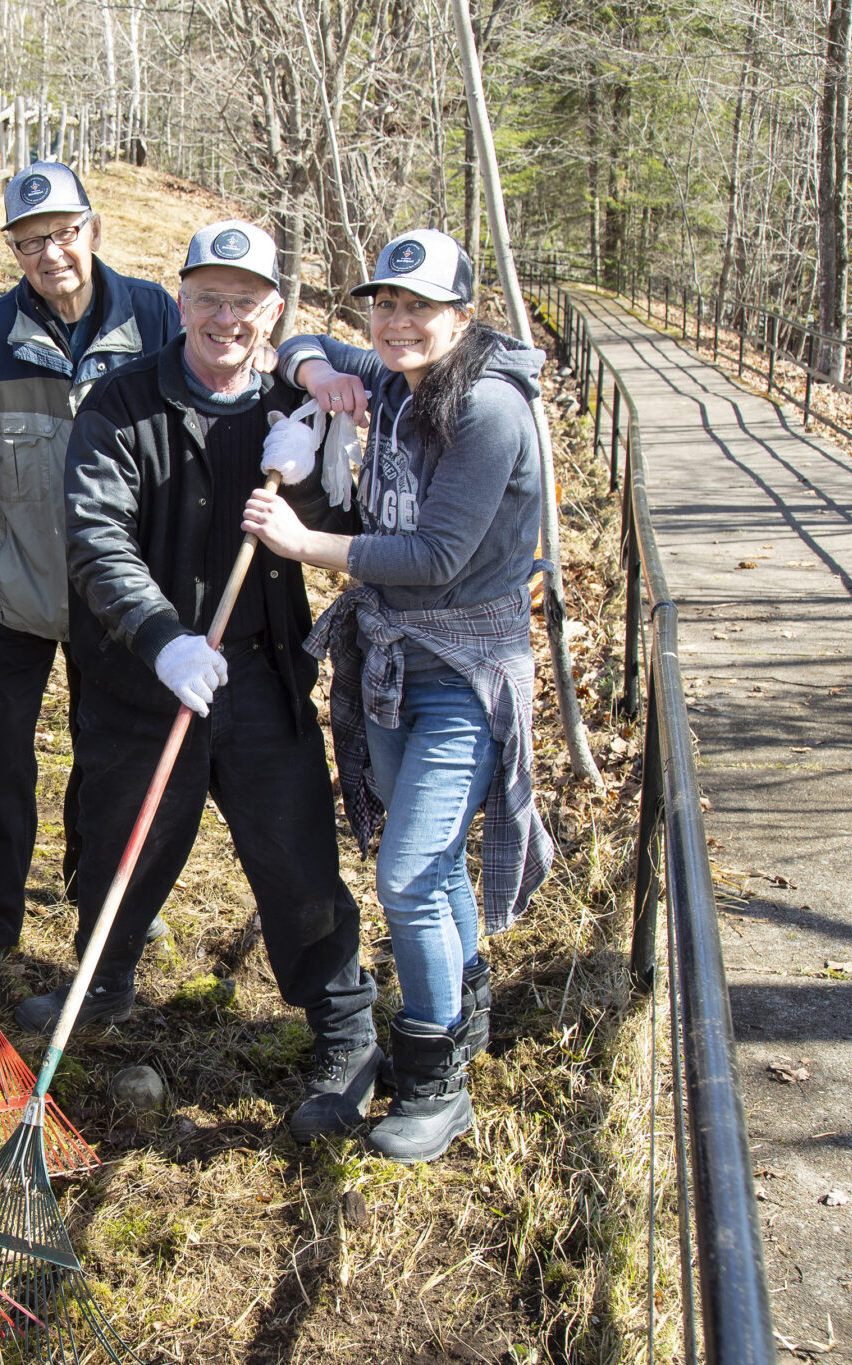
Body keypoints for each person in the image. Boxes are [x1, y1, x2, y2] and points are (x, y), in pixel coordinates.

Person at [52, 220, 381, 1144]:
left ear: (274, 311)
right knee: (123, 839)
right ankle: (101, 980)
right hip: (144, 676)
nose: (225, 317)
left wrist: (311, 479)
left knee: (295, 852)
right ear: (181, 297)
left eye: (246, 301)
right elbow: (94, 537)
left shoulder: (295, 405)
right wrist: (162, 639)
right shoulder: (122, 403)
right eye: (209, 296)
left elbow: (337, 519)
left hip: (262, 674)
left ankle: (342, 1028)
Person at [245, 227, 554, 1164]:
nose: (398, 321)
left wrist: (307, 547)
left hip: (463, 670)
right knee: (434, 868)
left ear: (463, 316)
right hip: (391, 666)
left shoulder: (490, 410)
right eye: (385, 304)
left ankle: (434, 1080)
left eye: (420, 306)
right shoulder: (392, 378)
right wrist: (312, 368)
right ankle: (460, 1014)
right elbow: (303, 346)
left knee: (410, 875)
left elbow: (435, 558)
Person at [0, 161, 181, 991]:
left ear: (93, 226)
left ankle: (100, 912)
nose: (51, 252)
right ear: (13, 250)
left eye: (63, 231)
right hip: (13, 589)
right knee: (3, 753)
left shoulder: (157, 317)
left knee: (106, 749)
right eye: (30, 241)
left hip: (115, 594)